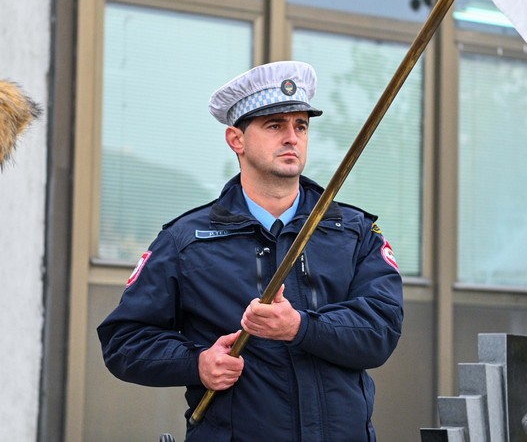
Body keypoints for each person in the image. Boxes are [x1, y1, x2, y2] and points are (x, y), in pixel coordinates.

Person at [97, 61, 404, 441]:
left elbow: (381, 329)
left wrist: (301, 327)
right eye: (275, 125)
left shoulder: (355, 232)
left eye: (301, 126)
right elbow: (124, 341)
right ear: (236, 139)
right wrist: (197, 363)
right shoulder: (186, 240)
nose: (292, 137)